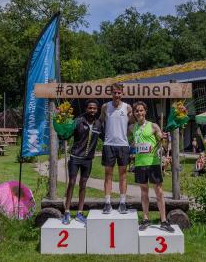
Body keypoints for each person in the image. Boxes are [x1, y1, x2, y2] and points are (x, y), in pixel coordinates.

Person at [129, 101, 174, 232]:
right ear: (134, 113)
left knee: (159, 192)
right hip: (140, 164)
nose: (139, 113)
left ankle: (164, 220)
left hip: (153, 163)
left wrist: (164, 138)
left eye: (141, 110)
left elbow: (162, 141)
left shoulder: (153, 126)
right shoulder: (133, 128)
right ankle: (146, 219)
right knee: (144, 192)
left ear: (145, 111)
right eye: (137, 111)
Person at [62, 99, 103, 225]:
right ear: (86, 109)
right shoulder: (78, 121)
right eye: (90, 108)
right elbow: (66, 134)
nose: (92, 110)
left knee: (83, 185)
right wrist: (62, 131)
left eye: (94, 108)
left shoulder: (98, 124)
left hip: (88, 160)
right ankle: (67, 212)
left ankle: (80, 213)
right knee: (72, 183)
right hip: (75, 157)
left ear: (97, 110)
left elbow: (106, 137)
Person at [99, 83, 133, 214]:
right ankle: (107, 203)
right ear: (111, 93)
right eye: (114, 92)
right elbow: (100, 122)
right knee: (108, 175)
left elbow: (132, 125)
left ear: (122, 93)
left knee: (123, 175)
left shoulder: (127, 107)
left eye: (119, 93)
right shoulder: (105, 107)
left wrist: (128, 134)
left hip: (123, 145)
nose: (117, 95)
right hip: (109, 144)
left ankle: (122, 202)